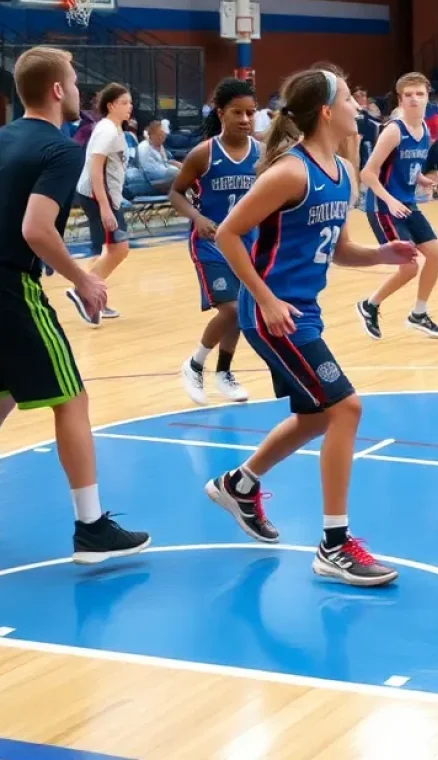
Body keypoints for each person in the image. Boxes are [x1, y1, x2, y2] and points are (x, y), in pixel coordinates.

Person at [205, 66, 416, 585]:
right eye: (349, 98)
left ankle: (240, 484)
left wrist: (381, 255)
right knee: (345, 407)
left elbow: (337, 249)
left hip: (304, 311)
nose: (358, 107)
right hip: (273, 315)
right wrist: (265, 298)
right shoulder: (290, 171)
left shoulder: (342, 170)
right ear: (326, 111)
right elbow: (228, 235)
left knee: (318, 415)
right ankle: (334, 545)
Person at [0, 47, 149, 562]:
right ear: (58, 90)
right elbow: (35, 230)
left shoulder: (3, 139)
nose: (81, 92)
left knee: (5, 395)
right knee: (72, 398)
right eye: (75, 82)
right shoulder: (60, 149)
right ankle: (91, 527)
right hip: (11, 286)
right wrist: (83, 278)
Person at [169, 78, 260, 406]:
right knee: (232, 309)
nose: (245, 119)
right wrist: (198, 218)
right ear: (221, 113)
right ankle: (194, 365)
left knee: (240, 312)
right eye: (238, 112)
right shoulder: (203, 154)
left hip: (248, 243)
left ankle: (223, 372)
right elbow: (175, 192)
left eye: (251, 112)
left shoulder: (262, 153)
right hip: (210, 243)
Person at [356, 72, 438, 340]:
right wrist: (390, 199)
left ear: (428, 96)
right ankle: (369, 305)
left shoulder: (425, 130)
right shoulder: (394, 130)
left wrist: (421, 179)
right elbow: (368, 173)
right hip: (383, 206)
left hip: (406, 203)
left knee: (435, 253)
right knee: (409, 266)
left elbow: (407, 165)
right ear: (400, 98)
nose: (415, 99)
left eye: (420, 94)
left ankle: (418, 314)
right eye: (409, 95)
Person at [67, 83, 134, 324]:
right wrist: (105, 206)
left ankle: (95, 300)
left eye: (131, 102)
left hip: (103, 195)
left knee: (108, 249)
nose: (130, 107)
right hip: (98, 195)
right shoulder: (107, 130)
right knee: (119, 248)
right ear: (111, 105)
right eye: (125, 102)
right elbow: (95, 169)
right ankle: (85, 292)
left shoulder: (113, 129)